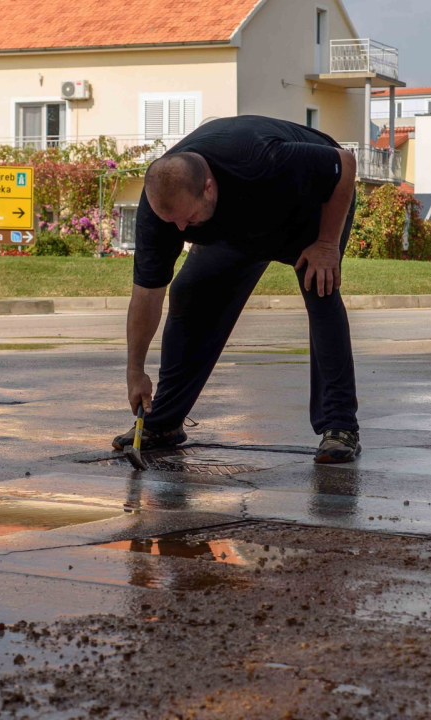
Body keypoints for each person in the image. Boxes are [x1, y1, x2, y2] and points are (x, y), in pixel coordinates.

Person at [113, 115, 361, 464]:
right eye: (173, 223)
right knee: (189, 292)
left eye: (187, 218)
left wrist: (326, 243)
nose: (181, 229)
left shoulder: (262, 158)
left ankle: (339, 427)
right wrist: (134, 370)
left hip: (305, 215)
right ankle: (164, 423)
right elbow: (146, 294)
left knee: (319, 287)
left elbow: (344, 164)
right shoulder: (163, 209)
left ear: (208, 187)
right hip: (235, 229)